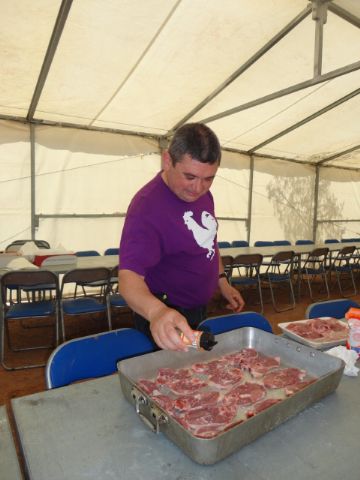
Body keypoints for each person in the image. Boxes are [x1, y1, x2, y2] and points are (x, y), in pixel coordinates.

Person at [118, 122, 245, 351]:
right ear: (168, 161)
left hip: (198, 307)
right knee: (171, 379)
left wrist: (222, 281)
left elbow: (209, 243)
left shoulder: (204, 195)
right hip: (166, 313)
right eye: (190, 176)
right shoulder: (147, 207)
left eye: (209, 178)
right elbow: (129, 279)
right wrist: (156, 312)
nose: (198, 188)